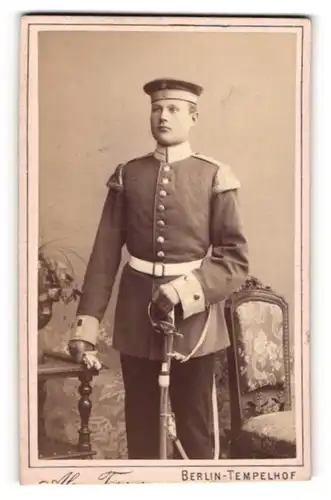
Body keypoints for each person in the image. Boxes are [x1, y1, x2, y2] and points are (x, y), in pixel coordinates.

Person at [68, 77, 249, 460]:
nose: (162, 116)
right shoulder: (128, 175)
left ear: (193, 117)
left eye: (172, 109)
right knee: (143, 429)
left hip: (194, 323)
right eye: (156, 108)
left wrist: (184, 291)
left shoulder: (214, 176)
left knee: (195, 430)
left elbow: (234, 260)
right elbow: (104, 257)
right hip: (136, 319)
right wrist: (85, 326)